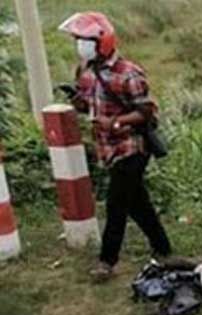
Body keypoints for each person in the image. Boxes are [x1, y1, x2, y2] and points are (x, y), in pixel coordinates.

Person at [60, 12, 172, 282]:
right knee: (137, 202)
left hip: (131, 145)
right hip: (107, 148)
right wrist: (76, 100)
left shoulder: (128, 73)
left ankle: (107, 261)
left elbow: (146, 111)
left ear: (102, 41)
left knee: (116, 205)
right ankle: (163, 248)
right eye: (77, 40)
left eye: (85, 40)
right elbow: (90, 104)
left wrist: (116, 122)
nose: (80, 45)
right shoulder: (85, 71)